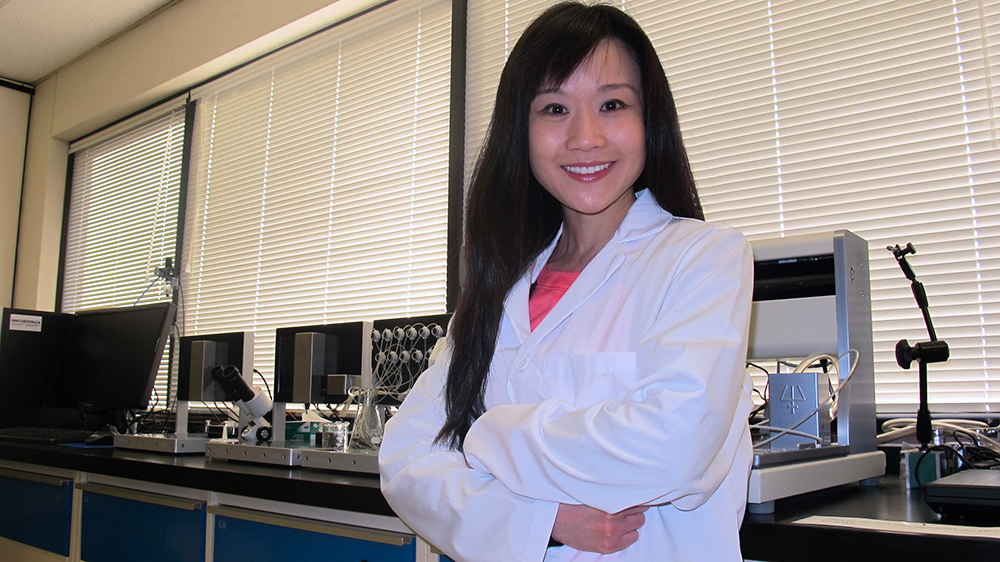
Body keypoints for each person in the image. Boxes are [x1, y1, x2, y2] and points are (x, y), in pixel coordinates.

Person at [379, 2, 754, 560]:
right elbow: (406, 460)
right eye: (554, 108)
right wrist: (541, 519)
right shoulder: (496, 290)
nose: (585, 137)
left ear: (648, 119)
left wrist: (489, 436)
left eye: (612, 104)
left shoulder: (702, 258)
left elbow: (674, 447)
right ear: (521, 130)